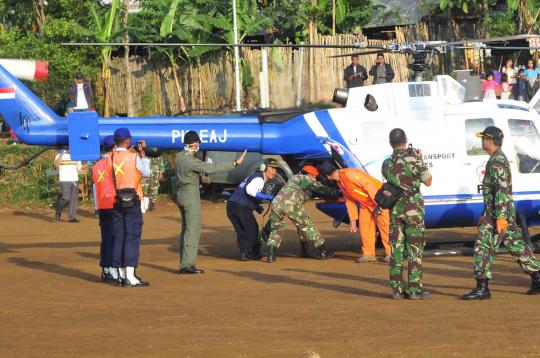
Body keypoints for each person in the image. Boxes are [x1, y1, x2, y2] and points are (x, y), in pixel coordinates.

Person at [462, 126, 540, 300]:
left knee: (483, 248)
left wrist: (501, 218)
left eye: (483, 139)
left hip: (498, 215)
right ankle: (537, 277)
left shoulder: (497, 161)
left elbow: (501, 191)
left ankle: (482, 287)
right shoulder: (496, 159)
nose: (481, 142)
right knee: (517, 247)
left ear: (490, 141)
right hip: (498, 214)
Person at [175, 131, 247, 274]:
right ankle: (187, 264)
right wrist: (234, 163)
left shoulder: (179, 157)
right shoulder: (190, 160)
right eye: (197, 144)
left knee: (185, 229)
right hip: (190, 195)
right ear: (194, 144)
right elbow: (211, 168)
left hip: (181, 194)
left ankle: (184, 261)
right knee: (192, 229)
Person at [382, 128, 432, 300]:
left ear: (390, 143)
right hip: (413, 211)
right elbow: (428, 181)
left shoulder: (386, 164)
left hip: (395, 212)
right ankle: (415, 290)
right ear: (406, 140)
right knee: (414, 251)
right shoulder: (415, 160)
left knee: (396, 252)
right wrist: (420, 159)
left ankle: (397, 290)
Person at [320, 162, 392, 263]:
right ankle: (368, 254)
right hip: (365, 205)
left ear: (327, 176)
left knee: (385, 227)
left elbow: (369, 185)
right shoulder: (340, 182)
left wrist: (379, 204)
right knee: (365, 228)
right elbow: (349, 199)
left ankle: (391, 253)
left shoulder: (350, 174)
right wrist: (353, 219)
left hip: (378, 201)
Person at [265, 165, 337, 263]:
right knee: (308, 226)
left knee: (276, 229)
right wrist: (335, 191)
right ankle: (323, 251)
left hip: (276, 203)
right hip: (291, 204)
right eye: (314, 176)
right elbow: (321, 189)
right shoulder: (306, 179)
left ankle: (271, 255)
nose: (315, 179)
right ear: (310, 174)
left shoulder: (293, 178)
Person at [110, 127, 151, 287]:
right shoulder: (133, 156)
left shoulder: (110, 157)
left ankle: (120, 273)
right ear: (127, 141)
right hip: (132, 200)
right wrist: (143, 155)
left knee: (119, 236)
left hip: (116, 200)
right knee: (132, 236)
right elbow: (146, 172)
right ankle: (130, 275)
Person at [227, 158, 279, 261]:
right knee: (252, 229)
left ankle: (244, 253)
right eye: (272, 168)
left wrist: (255, 206)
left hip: (231, 206)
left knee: (241, 230)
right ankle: (252, 253)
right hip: (240, 206)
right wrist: (266, 197)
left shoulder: (255, 177)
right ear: (264, 168)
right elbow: (250, 190)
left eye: (275, 169)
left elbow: (247, 193)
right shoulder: (259, 179)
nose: (274, 171)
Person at [92, 135, 117, 282]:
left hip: (101, 205)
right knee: (116, 238)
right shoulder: (114, 163)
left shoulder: (96, 165)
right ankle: (113, 269)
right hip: (113, 203)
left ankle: (105, 269)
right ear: (114, 147)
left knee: (106, 238)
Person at [54, 148, 82, 222]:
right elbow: (56, 164)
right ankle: (58, 212)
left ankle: (71, 217)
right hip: (64, 179)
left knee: (73, 199)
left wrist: (86, 163)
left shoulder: (76, 156)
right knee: (66, 198)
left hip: (74, 179)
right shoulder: (59, 155)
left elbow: (79, 168)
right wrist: (61, 154)